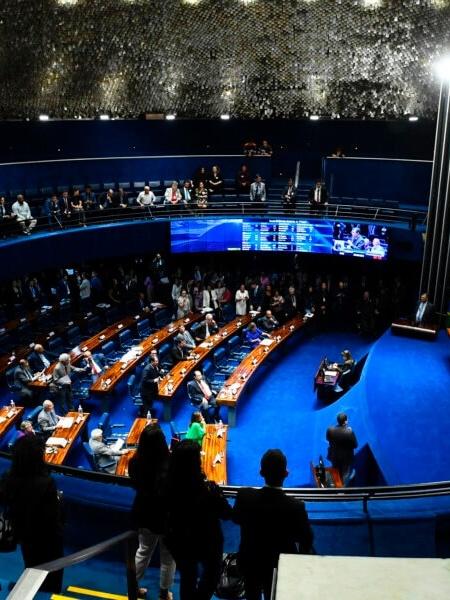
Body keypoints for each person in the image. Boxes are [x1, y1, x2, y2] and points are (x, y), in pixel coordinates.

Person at [233, 449, 313, 600]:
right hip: (280, 566)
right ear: (286, 473)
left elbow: (236, 518)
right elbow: (306, 540)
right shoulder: (296, 506)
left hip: (250, 562)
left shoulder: (244, 496)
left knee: (252, 595)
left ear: (261, 472)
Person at [165, 440, 232, 600]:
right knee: (211, 575)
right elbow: (226, 513)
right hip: (207, 543)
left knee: (188, 577)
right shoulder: (208, 489)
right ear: (195, 463)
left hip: (180, 542)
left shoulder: (166, 487)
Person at [0, 436, 64, 592]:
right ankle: (48, 593)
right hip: (46, 536)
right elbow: (52, 517)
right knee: (53, 571)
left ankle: (32, 590)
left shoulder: (8, 476)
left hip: (23, 532)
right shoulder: (46, 482)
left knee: (31, 564)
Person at [129, 424, 176, 600]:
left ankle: (132, 588)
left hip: (145, 513)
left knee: (143, 551)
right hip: (167, 516)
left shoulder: (135, 462)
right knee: (168, 557)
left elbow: (135, 485)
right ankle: (164, 593)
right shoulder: (171, 464)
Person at [326, 413, 358, 486]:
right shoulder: (349, 432)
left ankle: (333, 484)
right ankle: (342, 489)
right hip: (345, 458)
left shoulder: (329, 430)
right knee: (345, 473)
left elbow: (328, 439)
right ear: (345, 421)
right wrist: (349, 432)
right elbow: (355, 445)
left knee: (335, 468)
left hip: (333, 455)